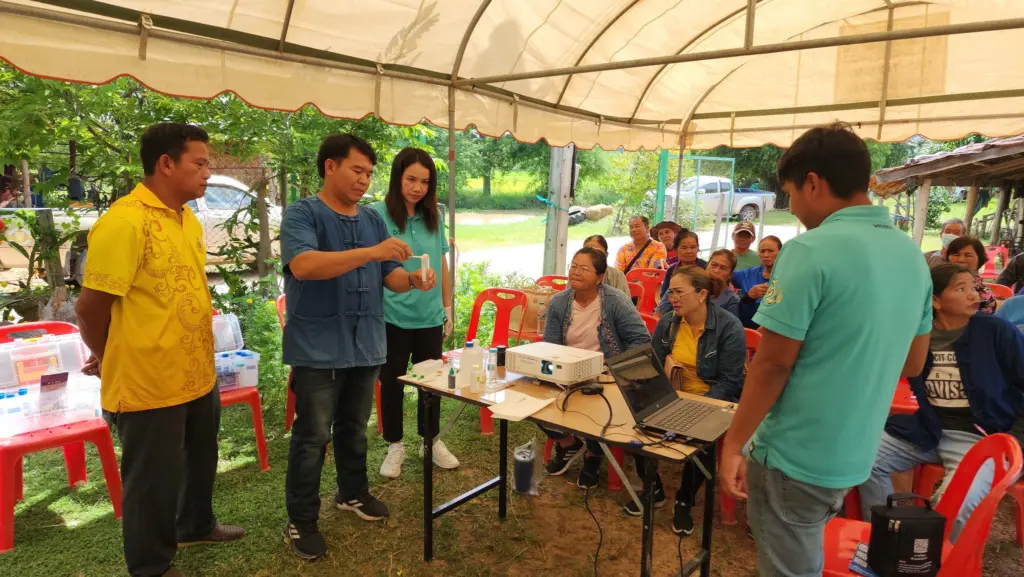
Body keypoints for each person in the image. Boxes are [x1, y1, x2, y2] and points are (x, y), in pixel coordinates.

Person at [719, 122, 933, 577]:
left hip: (794, 455)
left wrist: (734, 442)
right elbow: (913, 362)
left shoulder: (809, 250)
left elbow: (773, 364)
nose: (793, 208)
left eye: (790, 193)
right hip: (855, 452)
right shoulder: (911, 255)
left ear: (813, 182)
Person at [75, 123, 244, 577]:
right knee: (151, 479)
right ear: (166, 164)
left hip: (196, 370)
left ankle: (195, 525)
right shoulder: (124, 222)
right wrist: (110, 354)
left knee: (201, 456)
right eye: (200, 163)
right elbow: (90, 308)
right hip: (147, 379)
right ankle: (151, 566)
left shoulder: (186, 218)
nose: (208, 172)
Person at [280, 134, 437, 561]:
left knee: (354, 426)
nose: (364, 180)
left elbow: (390, 276)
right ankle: (301, 519)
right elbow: (304, 265)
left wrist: (413, 279)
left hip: (365, 342)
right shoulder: (303, 213)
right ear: (330, 167)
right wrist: (371, 253)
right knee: (312, 436)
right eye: (356, 170)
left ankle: (352, 492)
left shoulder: (370, 219)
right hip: (318, 347)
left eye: (369, 173)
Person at [858, 264, 1024, 541]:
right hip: (930, 429)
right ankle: (889, 541)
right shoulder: (917, 336)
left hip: (986, 438)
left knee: (956, 505)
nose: (973, 295)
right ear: (935, 301)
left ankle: (938, 556)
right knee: (861, 459)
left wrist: (1015, 440)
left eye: (973, 287)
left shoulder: (996, 331)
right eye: (961, 289)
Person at [625, 266, 746, 536]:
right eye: (670, 293)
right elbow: (654, 366)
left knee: (702, 436)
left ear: (702, 295)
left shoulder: (728, 327)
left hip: (712, 399)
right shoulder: (669, 323)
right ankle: (653, 488)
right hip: (673, 395)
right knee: (636, 420)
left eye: (679, 292)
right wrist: (643, 391)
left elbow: (730, 383)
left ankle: (685, 499)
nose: (673, 299)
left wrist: (696, 407)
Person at [372, 148, 458, 480]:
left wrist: (447, 307)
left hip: (429, 317)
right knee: (391, 384)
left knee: (430, 383)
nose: (417, 188)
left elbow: (442, 262)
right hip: (391, 317)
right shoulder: (377, 215)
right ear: (397, 178)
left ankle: (430, 440)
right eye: (411, 179)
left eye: (424, 182)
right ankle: (395, 445)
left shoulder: (434, 215)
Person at [541, 247, 651, 488]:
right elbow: (549, 345)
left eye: (584, 268)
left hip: (605, 374)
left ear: (600, 277)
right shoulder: (559, 302)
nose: (576, 272)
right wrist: (555, 370)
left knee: (597, 408)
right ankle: (568, 443)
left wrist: (615, 368)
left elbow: (641, 339)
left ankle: (593, 454)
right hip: (567, 372)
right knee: (533, 400)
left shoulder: (615, 301)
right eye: (573, 266)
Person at [655, 248, 739, 318]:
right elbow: (658, 314)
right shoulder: (683, 282)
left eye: (723, 268)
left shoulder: (731, 300)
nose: (716, 271)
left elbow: (727, 329)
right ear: (707, 265)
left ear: (730, 275)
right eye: (713, 265)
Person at [731, 236, 782, 329]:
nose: (766, 255)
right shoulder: (748, 274)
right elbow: (723, 273)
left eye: (770, 251)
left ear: (781, 252)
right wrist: (749, 296)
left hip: (775, 331)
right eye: (762, 251)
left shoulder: (788, 277)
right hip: (748, 330)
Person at [653, 230, 708, 316]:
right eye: (684, 248)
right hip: (674, 310)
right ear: (676, 249)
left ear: (698, 248)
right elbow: (665, 296)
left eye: (693, 247)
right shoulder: (671, 270)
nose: (689, 251)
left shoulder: (705, 268)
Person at [945, 235, 996, 314]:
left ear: (979, 259)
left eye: (968, 255)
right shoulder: (935, 283)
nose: (961, 260)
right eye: (956, 254)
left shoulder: (985, 294)